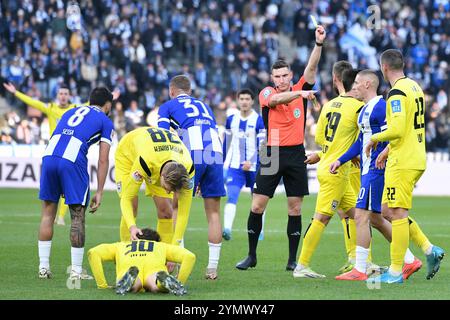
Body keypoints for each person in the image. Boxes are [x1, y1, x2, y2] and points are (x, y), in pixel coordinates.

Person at [235, 24, 325, 272]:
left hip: (296, 153)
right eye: (278, 77)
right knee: (257, 205)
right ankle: (251, 255)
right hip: (272, 152)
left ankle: (292, 260)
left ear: (290, 75)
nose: (282, 80)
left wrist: (318, 44)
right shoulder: (267, 93)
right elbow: (274, 100)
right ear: (272, 78)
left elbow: (312, 68)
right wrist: (300, 96)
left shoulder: (300, 88)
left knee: (295, 207)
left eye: (286, 76)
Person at [331, 69, 421, 281]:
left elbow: (394, 135)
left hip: (376, 170)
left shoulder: (381, 107)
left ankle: (360, 269)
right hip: (366, 169)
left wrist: (382, 154)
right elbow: (362, 142)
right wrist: (341, 159)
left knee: (362, 216)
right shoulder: (365, 110)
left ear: (368, 85)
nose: (354, 87)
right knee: (377, 217)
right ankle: (409, 260)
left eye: (357, 83)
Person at [365, 49, 445, 283]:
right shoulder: (414, 87)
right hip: (411, 154)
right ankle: (429, 250)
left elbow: (398, 128)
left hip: (404, 161)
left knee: (397, 213)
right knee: (387, 210)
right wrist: (388, 150)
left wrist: (375, 139)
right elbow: (409, 126)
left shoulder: (397, 92)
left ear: (384, 68)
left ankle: (396, 270)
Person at [3, 82, 119, 225]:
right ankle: (67, 226)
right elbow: (33, 102)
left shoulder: (72, 110)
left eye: (65, 93)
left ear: (69, 96)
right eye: (61, 93)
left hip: (51, 152)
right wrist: (16, 93)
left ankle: (60, 217)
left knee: (47, 214)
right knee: (76, 211)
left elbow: (92, 104)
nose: (63, 96)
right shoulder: (52, 108)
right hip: (71, 155)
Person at [292, 63, 363, 278]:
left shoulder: (329, 105)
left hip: (328, 165)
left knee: (358, 216)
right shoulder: (358, 108)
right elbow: (362, 138)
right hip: (337, 173)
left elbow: (323, 141)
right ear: (355, 85)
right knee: (321, 218)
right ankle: (301, 266)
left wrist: (322, 154)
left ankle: (361, 262)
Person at [37, 87, 114, 280]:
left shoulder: (71, 111)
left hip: (49, 155)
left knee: (47, 214)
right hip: (72, 159)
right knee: (77, 216)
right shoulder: (106, 120)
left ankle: (43, 267)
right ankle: (76, 272)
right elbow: (103, 159)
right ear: (108, 105)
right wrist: (100, 191)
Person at [157, 75, 225, 280]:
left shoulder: (167, 106)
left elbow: (163, 137)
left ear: (172, 91)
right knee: (213, 212)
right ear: (190, 90)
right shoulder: (205, 106)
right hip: (214, 154)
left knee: (177, 207)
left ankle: (176, 262)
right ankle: (212, 268)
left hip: (191, 155)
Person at [115, 126, 194, 249]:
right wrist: (132, 227)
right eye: (168, 188)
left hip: (161, 155)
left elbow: (183, 213)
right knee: (132, 205)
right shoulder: (146, 161)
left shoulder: (188, 169)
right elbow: (126, 199)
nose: (168, 192)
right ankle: (125, 254)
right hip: (128, 153)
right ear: (162, 176)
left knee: (166, 212)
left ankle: (163, 255)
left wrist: (174, 247)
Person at [88, 228, 195, 295]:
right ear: (155, 240)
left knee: (135, 285)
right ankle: (163, 283)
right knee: (155, 284)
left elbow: (93, 253)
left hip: (129, 265)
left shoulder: (121, 245)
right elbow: (190, 257)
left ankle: (131, 281)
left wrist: (102, 285)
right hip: (153, 268)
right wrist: (180, 281)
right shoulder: (160, 246)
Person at [222, 88, 266, 241]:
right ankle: (227, 228)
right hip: (236, 167)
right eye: (242, 99)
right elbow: (226, 144)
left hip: (255, 168)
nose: (245, 102)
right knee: (232, 196)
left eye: (247, 99)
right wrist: (222, 165)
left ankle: (259, 230)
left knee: (258, 200)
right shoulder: (231, 120)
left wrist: (252, 161)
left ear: (252, 101)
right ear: (238, 101)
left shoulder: (259, 120)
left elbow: (262, 145)